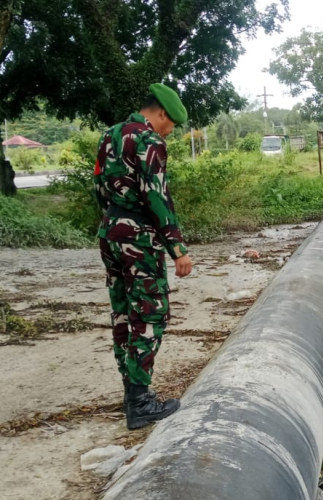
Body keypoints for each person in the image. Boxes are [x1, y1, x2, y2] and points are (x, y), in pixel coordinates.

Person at [94, 83, 193, 430]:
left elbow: (99, 188)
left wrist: (112, 223)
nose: (171, 132)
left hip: (110, 231)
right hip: (138, 234)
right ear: (162, 114)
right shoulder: (151, 142)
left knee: (123, 311)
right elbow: (157, 197)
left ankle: (130, 391)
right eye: (172, 125)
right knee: (151, 312)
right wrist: (176, 248)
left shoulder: (111, 134)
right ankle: (140, 401)